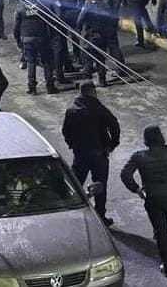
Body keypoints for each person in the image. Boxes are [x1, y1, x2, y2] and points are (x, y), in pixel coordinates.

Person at [121, 125, 167, 278]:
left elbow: (125, 174)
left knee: (161, 233)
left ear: (146, 140)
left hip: (154, 200)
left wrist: (137, 189)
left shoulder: (139, 157)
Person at [62, 82, 120, 227]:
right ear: (92, 91)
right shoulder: (98, 109)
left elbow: (65, 131)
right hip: (99, 153)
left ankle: (71, 215)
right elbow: (114, 125)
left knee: (75, 184)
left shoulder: (71, 111)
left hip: (80, 154)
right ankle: (100, 216)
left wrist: (72, 145)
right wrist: (112, 145)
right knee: (100, 184)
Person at [13, 0, 59, 95]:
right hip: (42, 38)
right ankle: (50, 86)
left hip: (27, 38)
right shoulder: (42, 7)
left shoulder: (20, 8)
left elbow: (16, 27)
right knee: (46, 62)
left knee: (31, 62)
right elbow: (49, 23)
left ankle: (32, 87)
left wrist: (18, 40)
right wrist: (51, 37)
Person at [77, 0, 117, 87]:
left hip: (89, 36)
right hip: (102, 36)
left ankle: (87, 82)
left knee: (87, 59)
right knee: (100, 59)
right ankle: (102, 80)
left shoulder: (87, 6)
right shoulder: (105, 6)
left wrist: (79, 29)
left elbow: (80, 19)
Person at [39, 0, 70, 84]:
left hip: (42, 29)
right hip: (54, 29)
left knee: (47, 52)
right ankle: (59, 74)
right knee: (58, 51)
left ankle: (48, 75)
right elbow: (59, 14)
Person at [57, 0, 85, 66]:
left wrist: (79, 10)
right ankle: (66, 59)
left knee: (75, 37)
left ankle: (78, 56)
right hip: (62, 14)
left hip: (73, 14)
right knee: (62, 37)